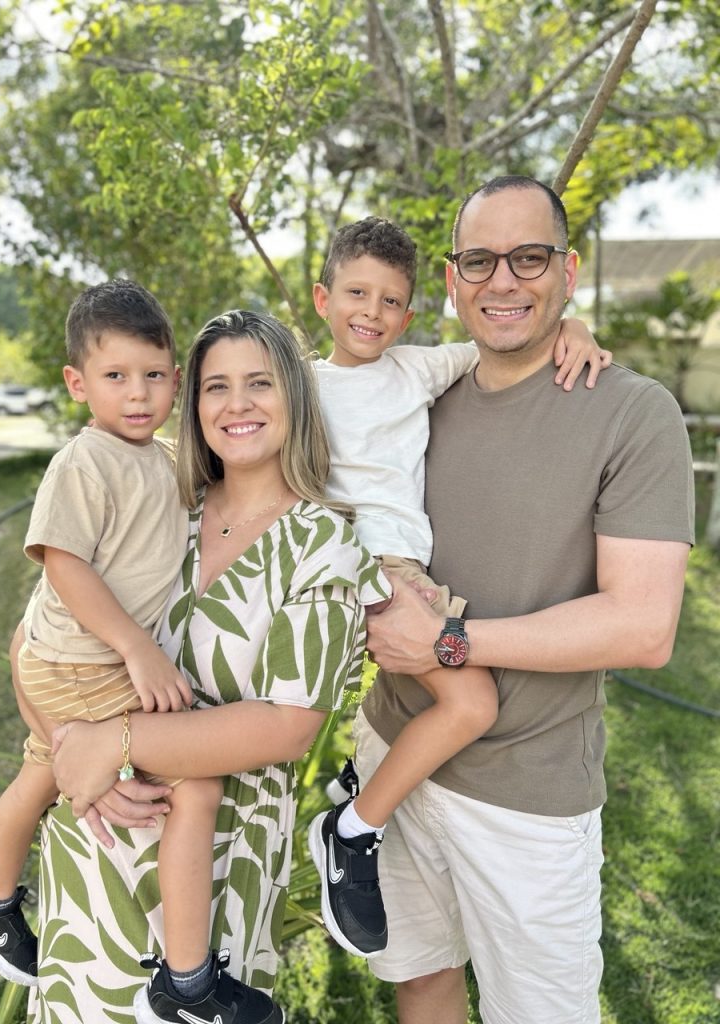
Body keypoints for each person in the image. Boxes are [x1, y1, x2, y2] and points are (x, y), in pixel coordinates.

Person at [355, 176, 694, 1024]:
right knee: (422, 980)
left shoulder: (633, 414)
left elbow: (644, 627)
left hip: (527, 798)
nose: (503, 280)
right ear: (451, 278)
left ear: (568, 270)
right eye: (481, 260)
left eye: (529, 257)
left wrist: (449, 644)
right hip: (393, 753)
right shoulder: (419, 394)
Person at [21, 308, 388, 1024]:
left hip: (216, 869)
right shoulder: (163, 504)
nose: (237, 404)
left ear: (295, 398)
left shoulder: (324, 545)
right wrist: (72, 758)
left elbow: (286, 728)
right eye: (216, 387)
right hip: (93, 840)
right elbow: (38, 636)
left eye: (260, 383)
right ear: (193, 406)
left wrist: (113, 742)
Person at [306, 216, 612, 959]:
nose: (371, 313)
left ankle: (356, 801)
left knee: (454, 699)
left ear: (408, 315)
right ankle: (351, 831)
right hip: (365, 561)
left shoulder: (416, 369)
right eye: (355, 294)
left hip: (408, 568)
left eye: (389, 301)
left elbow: (508, 336)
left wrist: (572, 323)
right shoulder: (302, 383)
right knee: (473, 700)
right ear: (321, 299)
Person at [0, 280, 255, 1018]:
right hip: (85, 661)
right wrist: (137, 650)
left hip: (68, 663)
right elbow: (64, 563)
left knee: (40, 768)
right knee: (198, 785)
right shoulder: (84, 462)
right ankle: (188, 983)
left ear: (176, 379)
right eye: (115, 377)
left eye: (154, 375)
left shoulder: (159, 455)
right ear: (77, 383)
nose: (138, 393)